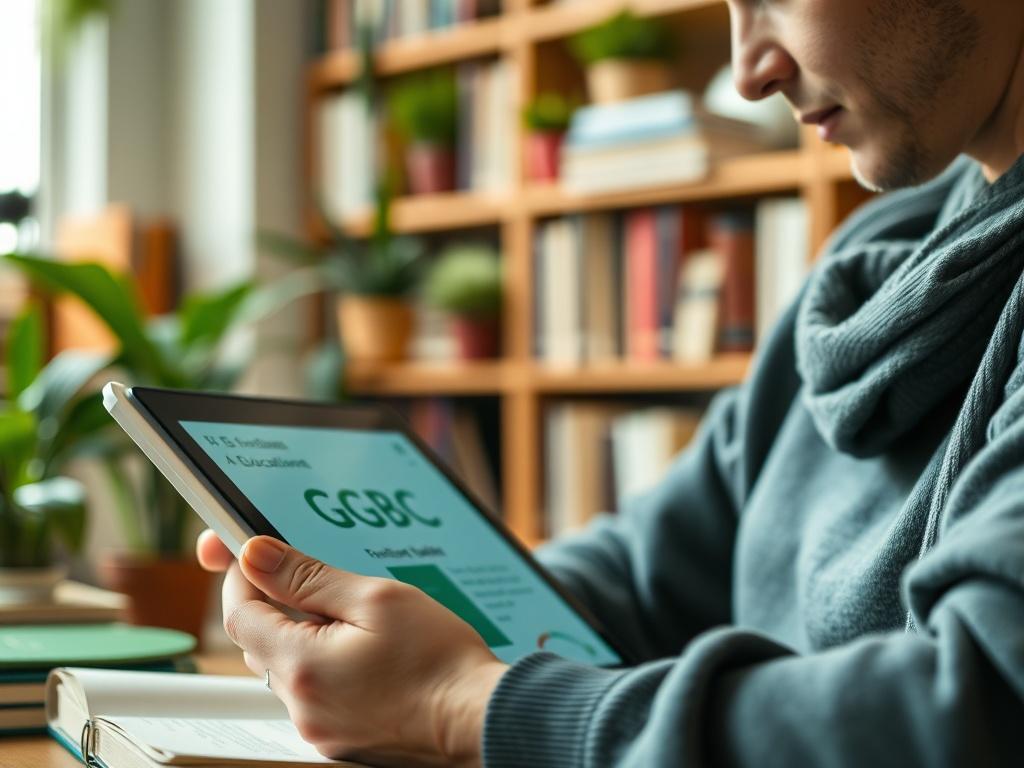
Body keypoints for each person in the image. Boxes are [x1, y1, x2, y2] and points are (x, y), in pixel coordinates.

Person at [198, 0, 1024, 765]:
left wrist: (462, 703)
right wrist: (428, 605)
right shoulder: (874, 263)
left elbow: (976, 709)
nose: (748, 72)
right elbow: (650, 567)